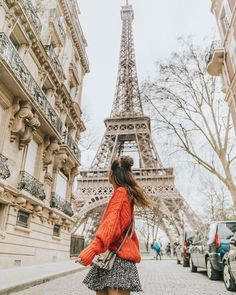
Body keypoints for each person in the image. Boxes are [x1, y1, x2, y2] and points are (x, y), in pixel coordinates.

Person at [76, 156, 150, 295]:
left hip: (116, 261)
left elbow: (111, 226)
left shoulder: (121, 194)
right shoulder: (125, 194)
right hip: (115, 259)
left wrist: (92, 250)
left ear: (111, 174)